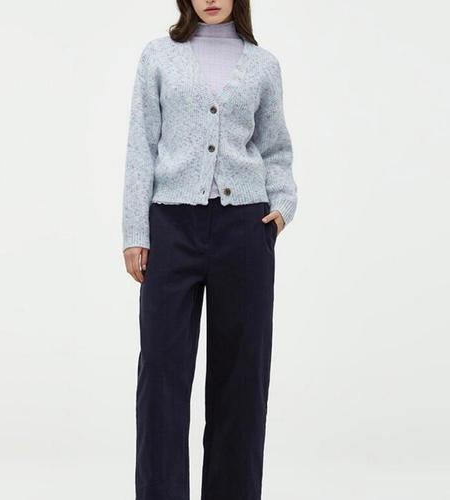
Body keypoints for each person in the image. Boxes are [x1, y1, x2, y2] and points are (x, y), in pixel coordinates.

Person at [121, 1, 298, 498]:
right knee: (161, 374)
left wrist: (281, 207)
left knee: (241, 379)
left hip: (245, 227)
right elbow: (141, 145)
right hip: (171, 227)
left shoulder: (263, 65)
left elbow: (275, 147)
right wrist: (135, 231)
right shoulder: (158, 56)